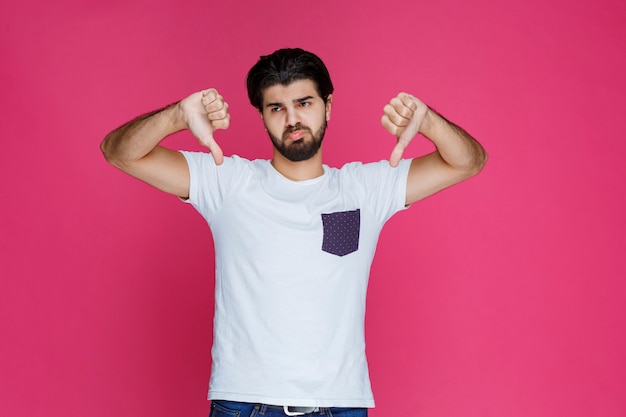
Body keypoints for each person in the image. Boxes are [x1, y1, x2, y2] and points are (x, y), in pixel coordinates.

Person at [101, 48, 487, 417]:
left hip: (340, 404)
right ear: (263, 116)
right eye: (276, 108)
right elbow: (120, 152)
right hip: (244, 404)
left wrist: (430, 122)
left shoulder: (365, 190)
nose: (292, 119)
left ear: (327, 106)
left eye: (304, 103)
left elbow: (468, 162)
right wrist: (176, 117)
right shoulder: (228, 182)